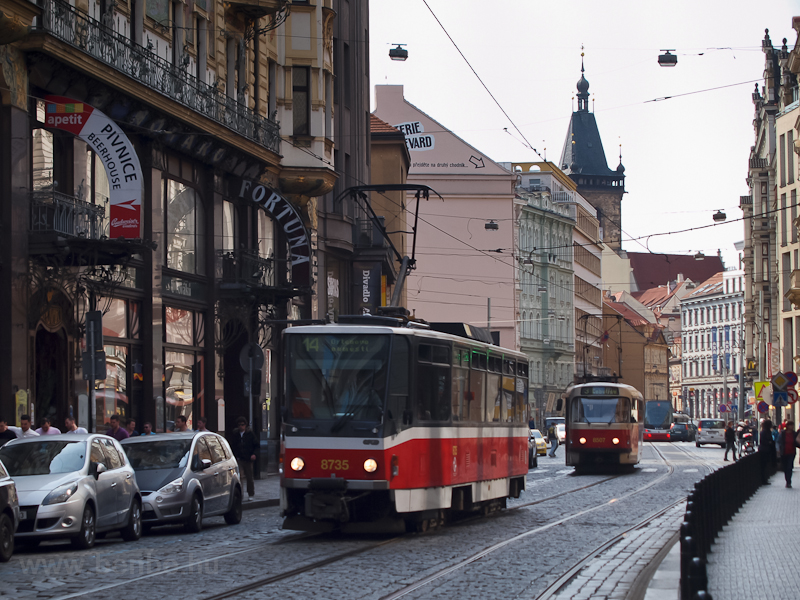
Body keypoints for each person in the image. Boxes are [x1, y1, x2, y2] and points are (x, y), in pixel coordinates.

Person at [228, 417, 258, 501]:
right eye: (239, 425)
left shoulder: (250, 434)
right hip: (239, 458)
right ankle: (240, 494)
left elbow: (256, 445)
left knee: (249, 477)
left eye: (242, 425)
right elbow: (233, 445)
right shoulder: (236, 434)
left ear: (245, 425)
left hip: (248, 459)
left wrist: (254, 454)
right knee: (239, 477)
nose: (241, 426)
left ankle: (251, 493)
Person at [777, 421, 799, 488]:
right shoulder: (783, 433)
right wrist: (778, 449)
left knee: (790, 467)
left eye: (792, 425)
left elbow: (797, 440)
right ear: (787, 426)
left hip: (792, 452)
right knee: (785, 467)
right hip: (784, 452)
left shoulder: (794, 434)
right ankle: (787, 480)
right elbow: (778, 441)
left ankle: (789, 482)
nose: (792, 427)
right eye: (790, 425)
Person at [758, 419, 776, 485]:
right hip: (764, 451)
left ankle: (765, 479)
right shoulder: (764, 432)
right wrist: (770, 443)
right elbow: (764, 441)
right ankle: (763, 480)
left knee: (765, 466)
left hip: (766, 450)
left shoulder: (767, 432)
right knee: (764, 466)